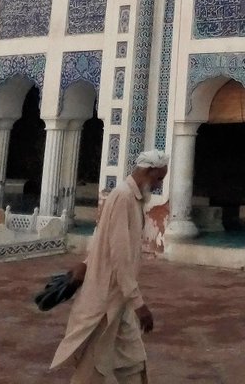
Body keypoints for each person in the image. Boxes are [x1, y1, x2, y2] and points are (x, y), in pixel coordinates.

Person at [51, 149, 169, 382]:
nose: (158, 185)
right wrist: (139, 304)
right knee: (92, 368)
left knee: (133, 363)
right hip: (106, 301)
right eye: (158, 179)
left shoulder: (132, 199)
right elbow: (119, 255)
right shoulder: (122, 197)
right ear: (148, 171)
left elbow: (105, 242)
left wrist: (86, 264)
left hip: (119, 298)